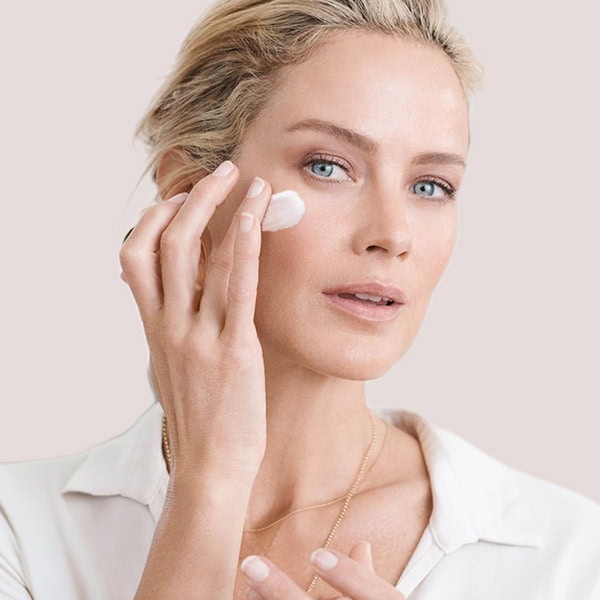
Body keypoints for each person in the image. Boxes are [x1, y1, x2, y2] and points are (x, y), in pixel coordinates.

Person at [1, 0, 599, 598]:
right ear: (192, 193)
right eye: (328, 167)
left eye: (429, 185)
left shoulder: (567, 556)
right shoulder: (21, 532)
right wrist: (209, 479)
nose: (393, 234)